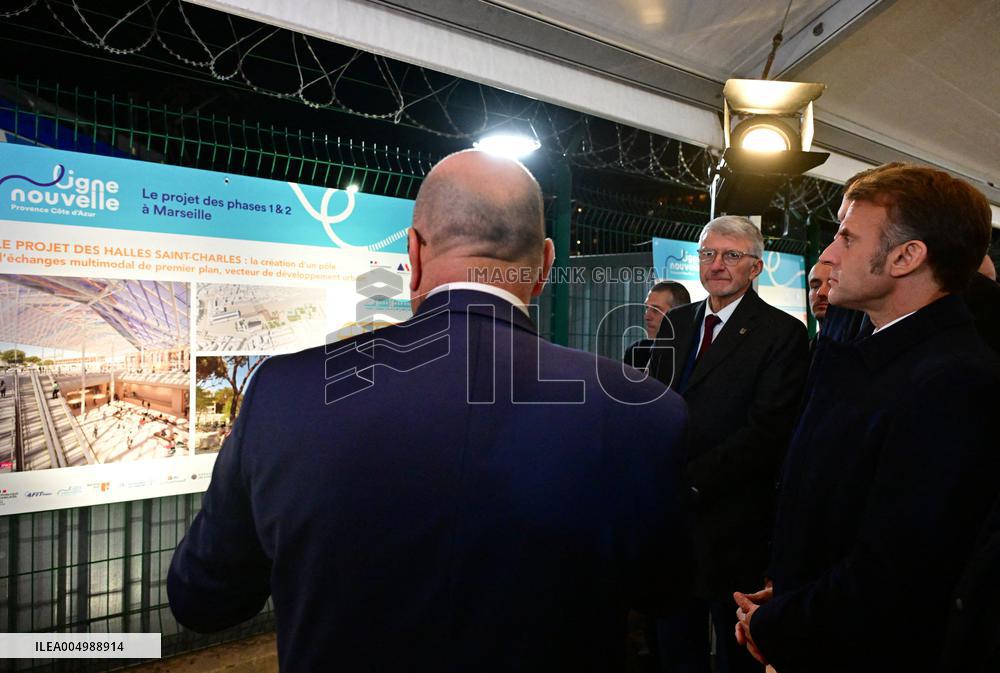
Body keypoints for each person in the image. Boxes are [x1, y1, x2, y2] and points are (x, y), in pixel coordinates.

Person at [168, 150, 693, 673]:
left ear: (413, 254)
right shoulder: (642, 410)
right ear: (545, 265)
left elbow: (205, 600)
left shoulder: (284, 392)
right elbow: (667, 592)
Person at [734, 164, 1000, 673]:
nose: (829, 254)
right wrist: (791, 592)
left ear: (906, 257)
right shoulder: (875, 353)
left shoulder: (955, 382)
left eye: (848, 238)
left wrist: (781, 624)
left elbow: (897, 573)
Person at [647, 215, 808, 673]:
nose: (717, 265)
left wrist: (692, 483)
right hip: (670, 522)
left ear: (755, 268)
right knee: (674, 647)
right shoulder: (678, 322)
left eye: (731, 255)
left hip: (734, 524)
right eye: (708, 254)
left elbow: (768, 431)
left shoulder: (782, 334)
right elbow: (653, 403)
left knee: (737, 654)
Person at [624, 280, 691, 369]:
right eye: (647, 308)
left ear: (680, 313)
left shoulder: (696, 353)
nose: (647, 317)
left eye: (656, 310)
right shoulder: (636, 353)